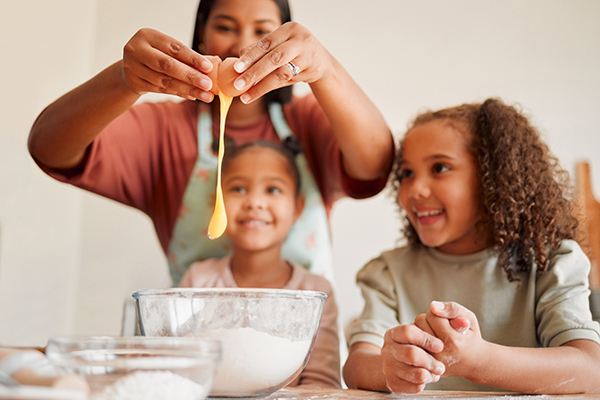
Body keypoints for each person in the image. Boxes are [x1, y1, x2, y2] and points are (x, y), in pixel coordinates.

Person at [27, 0, 394, 286]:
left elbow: (376, 165)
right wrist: (125, 80)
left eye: (262, 30)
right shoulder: (163, 129)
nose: (242, 44)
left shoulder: (308, 121)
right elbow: (49, 148)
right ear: (201, 36)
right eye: (225, 26)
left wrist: (326, 70)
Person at [342, 98, 600, 394]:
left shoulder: (551, 262)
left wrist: (479, 361)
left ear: (495, 177)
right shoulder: (388, 272)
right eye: (406, 174)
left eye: (439, 168)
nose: (415, 189)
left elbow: (590, 369)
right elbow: (356, 366)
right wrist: (388, 369)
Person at [179, 140, 340, 388]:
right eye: (238, 189)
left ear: (297, 209)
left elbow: (322, 383)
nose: (254, 202)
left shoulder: (316, 292)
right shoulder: (198, 281)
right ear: (217, 203)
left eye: (273, 190)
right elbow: (183, 372)